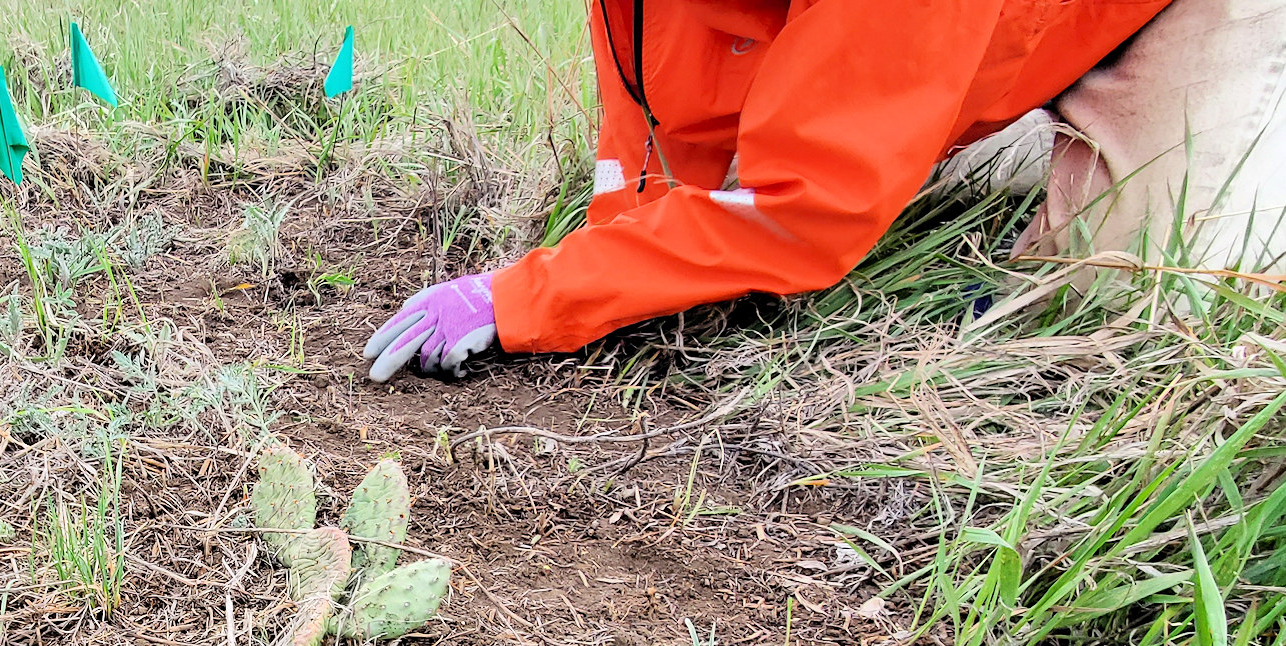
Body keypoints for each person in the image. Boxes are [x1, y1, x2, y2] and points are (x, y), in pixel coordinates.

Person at [364, 0, 1286, 383]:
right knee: (879, 147)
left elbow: (804, 211)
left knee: (1122, 298)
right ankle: (969, 136)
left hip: (1157, 15)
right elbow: (655, 114)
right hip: (950, 39)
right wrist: (614, 273)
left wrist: (529, 296)